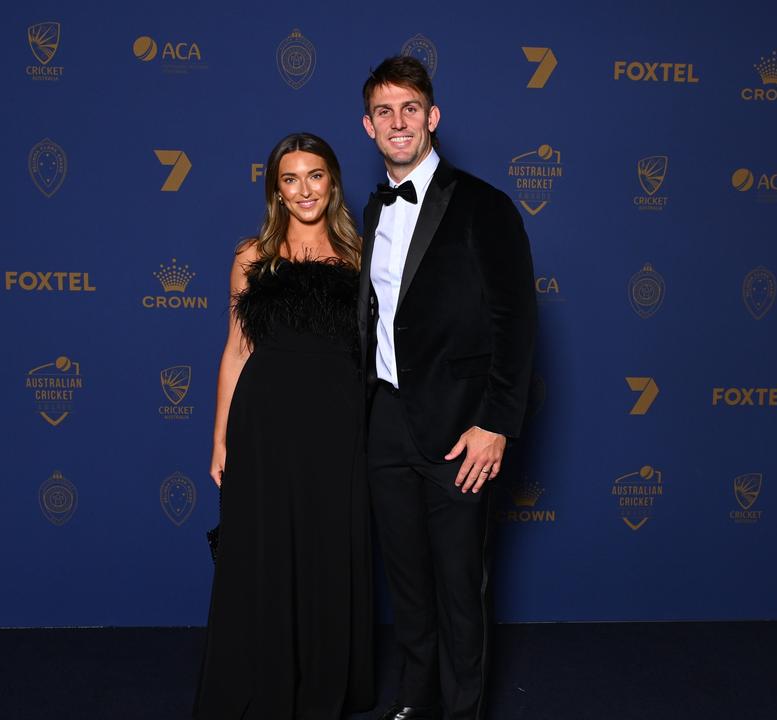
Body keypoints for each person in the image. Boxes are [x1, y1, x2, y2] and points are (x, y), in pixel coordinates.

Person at [358, 57, 537, 720]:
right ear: (369, 126)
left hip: (462, 429)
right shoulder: (369, 211)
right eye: (384, 111)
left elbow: (516, 321)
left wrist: (496, 424)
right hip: (385, 427)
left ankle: (462, 713)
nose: (398, 122)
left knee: (460, 586)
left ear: (432, 118)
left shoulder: (485, 206)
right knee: (406, 584)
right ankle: (412, 702)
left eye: (410, 109)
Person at [195, 133, 373, 720]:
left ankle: (324, 684)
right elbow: (235, 351)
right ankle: (264, 682)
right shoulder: (252, 257)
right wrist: (221, 437)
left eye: (315, 176)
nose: (304, 190)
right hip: (265, 423)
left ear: (332, 182)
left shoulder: (361, 256)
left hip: (338, 425)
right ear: (276, 188)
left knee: (328, 550)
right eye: (290, 178)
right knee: (267, 550)